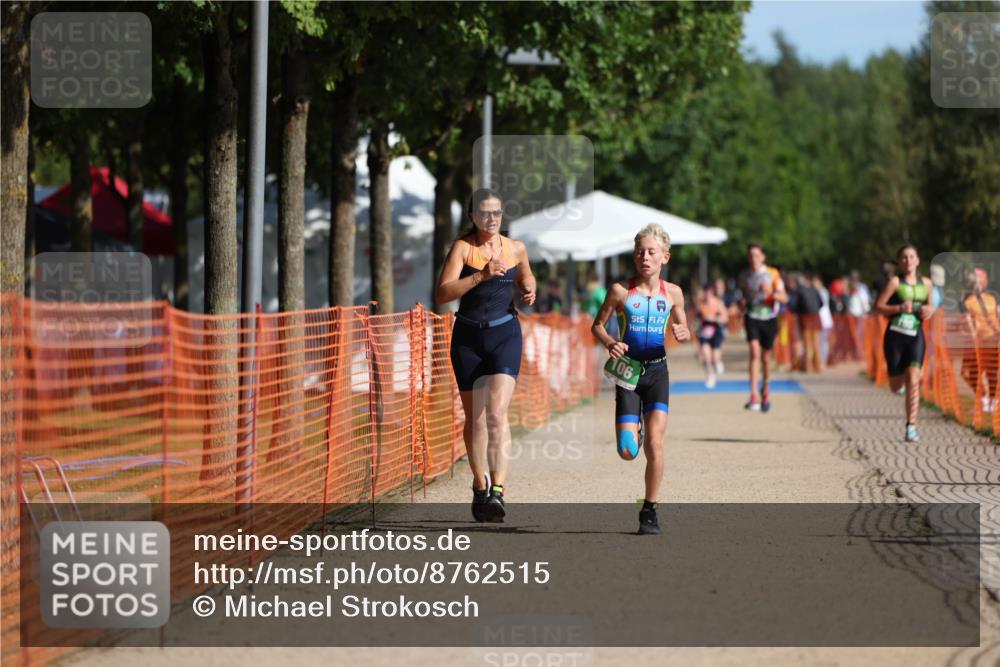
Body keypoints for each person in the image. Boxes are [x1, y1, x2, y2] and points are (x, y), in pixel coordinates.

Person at [436, 188, 536, 522]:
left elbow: (526, 275)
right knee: (475, 418)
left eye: (496, 213)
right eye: (484, 213)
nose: (491, 219)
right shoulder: (463, 249)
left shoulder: (515, 248)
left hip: (504, 333)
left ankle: (498, 491)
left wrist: (528, 289)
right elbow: (443, 293)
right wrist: (480, 275)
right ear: (472, 217)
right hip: (466, 338)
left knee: (495, 413)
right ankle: (480, 484)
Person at [591, 223, 690, 535]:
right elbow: (597, 326)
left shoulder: (673, 293)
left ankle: (650, 509)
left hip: (658, 372)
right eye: (639, 252)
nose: (644, 257)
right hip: (629, 373)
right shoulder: (621, 291)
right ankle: (637, 427)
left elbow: (683, 326)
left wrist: (684, 332)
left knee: (656, 444)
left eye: (651, 252)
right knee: (627, 451)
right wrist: (610, 343)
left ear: (665, 257)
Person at [874, 245, 934, 442]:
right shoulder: (894, 282)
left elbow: (930, 307)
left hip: (915, 336)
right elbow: (878, 307)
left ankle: (911, 426)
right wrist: (899, 307)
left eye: (912, 257)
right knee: (895, 385)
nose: (908, 261)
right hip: (895, 337)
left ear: (918, 260)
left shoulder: (926, 283)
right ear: (900, 262)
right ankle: (898, 384)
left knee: (913, 379)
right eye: (904, 258)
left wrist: (928, 311)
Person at [739, 243, 787, 411]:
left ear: (763, 257)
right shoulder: (745, 276)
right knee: (754, 351)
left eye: (757, 255)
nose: (754, 259)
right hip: (752, 316)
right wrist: (742, 303)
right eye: (751, 255)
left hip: (769, 318)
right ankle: (753, 394)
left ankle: (765, 390)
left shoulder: (773, 274)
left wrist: (771, 294)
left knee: (766, 358)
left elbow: (784, 298)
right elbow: (744, 295)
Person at [960, 269, 1000, 413]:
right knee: (976, 372)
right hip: (985, 341)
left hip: (988, 340)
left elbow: (970, 324)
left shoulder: (990, 297)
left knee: (987, 372)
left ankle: (990, 402)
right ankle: (986, 400)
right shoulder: (969, 301)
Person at [696, 282, 728, 387]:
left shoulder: (718, 303)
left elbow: (725, 318)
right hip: (705, 332)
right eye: (705, 292)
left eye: (709, 292)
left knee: (715, 356)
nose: (707, 294)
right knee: (706, 355)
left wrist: (714, 318)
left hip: (716, 331)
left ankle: (717, 363)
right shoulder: (701, 305)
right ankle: (710, 375)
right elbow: (697, 318)